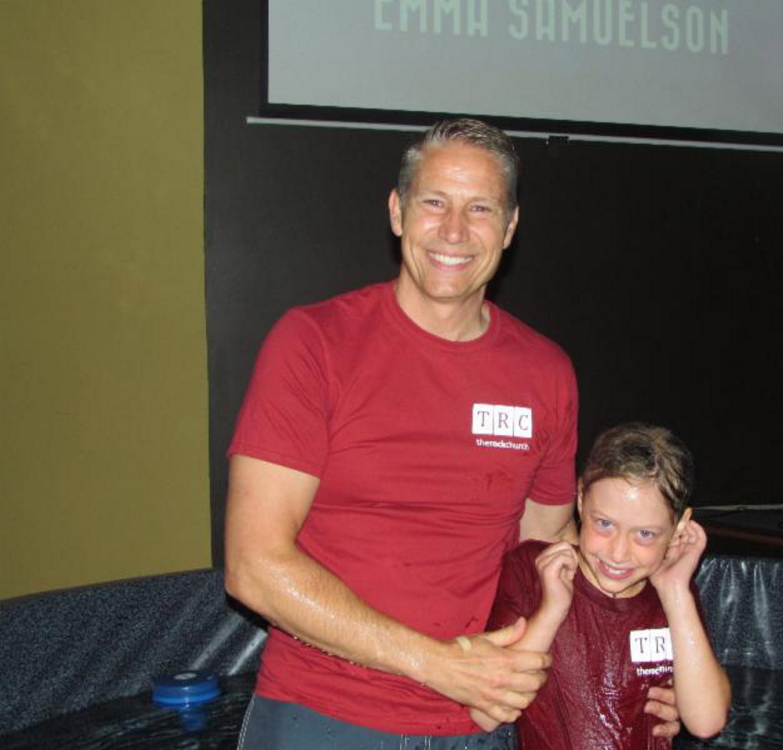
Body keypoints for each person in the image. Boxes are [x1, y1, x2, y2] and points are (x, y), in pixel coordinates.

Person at [223, 119, 681, 748]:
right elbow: (254, 567)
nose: (455, 231)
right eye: (434, 202)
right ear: (397, 211)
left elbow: (551, 553)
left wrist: (634, 671)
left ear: (511, 227)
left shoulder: (545, 374)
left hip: (482, 726)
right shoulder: (314, 345)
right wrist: (438, 664)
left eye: (481, 208)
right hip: (325, 717)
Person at [479, 422, 731, 748]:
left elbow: (707, 722)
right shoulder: (533, 571)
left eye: (645, 534)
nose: (619, 552)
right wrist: (552, 611)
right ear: (581, 499)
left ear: (680, 525)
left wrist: (676, 594)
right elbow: (486, 714)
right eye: (605, 524)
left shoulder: (672, 592)